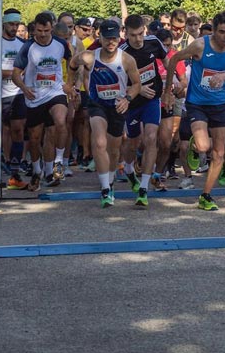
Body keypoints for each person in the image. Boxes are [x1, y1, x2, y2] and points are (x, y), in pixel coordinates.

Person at [162, 12, 225, 212]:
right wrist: (168, 91)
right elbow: (173, 60)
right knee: (204, 146)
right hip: (197, 103)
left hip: (220, 105)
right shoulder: (200, 45)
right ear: (213, 31)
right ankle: (196, 146)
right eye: (222, 32)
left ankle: (206, 195)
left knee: (219, 154)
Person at [69, 20, 142, 207]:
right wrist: (70, 86)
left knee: (114, 149)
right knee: (100, 142)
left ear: (119, 38)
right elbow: (72, 63)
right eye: (107, 38)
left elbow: (136, 84)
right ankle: (105, 190)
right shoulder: (89, 57)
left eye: (114, 38)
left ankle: (110, 182)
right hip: (97, 104)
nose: (111, 42)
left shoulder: (127, 59)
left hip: (117, 106)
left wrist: (127, 98)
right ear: (99, 38)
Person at [11, 12, 74, 191]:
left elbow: (73, 62)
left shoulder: (60, 44)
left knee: (60, 122)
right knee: (35, 137)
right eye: (39, 30)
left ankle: (58, 164)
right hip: (35, 96)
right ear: (34, 30)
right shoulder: (28, 47)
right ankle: (38, 171)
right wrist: (24, 88)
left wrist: (70, 84)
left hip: (55, 92)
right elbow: (16, 74)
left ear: (51, 28)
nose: (43, 34)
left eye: (46, 30)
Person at [118, 14, 167, 207]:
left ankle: (144, 188)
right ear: (126, 34)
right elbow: (117, 83)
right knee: (132, 143)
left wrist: (173, 84)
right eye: (133, 35)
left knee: (151, 138)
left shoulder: (153, 42)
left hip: (152, 99)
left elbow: (167, 61)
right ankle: (129, 170)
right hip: (132, 103)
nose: (138, 39)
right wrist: (136, 89)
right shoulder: (122, 52)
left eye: (140, 34)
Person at [1, 10, 28, 189]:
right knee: (3, 130)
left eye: (17, 24)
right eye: (11, 24)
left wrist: (18, 75)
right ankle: (5, 159)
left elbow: (28, 67)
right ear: (4, 23)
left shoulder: (22, 44)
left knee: (18, 129)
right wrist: (15, 73)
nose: (14, 27)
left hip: (18, 93)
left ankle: (15, 169)